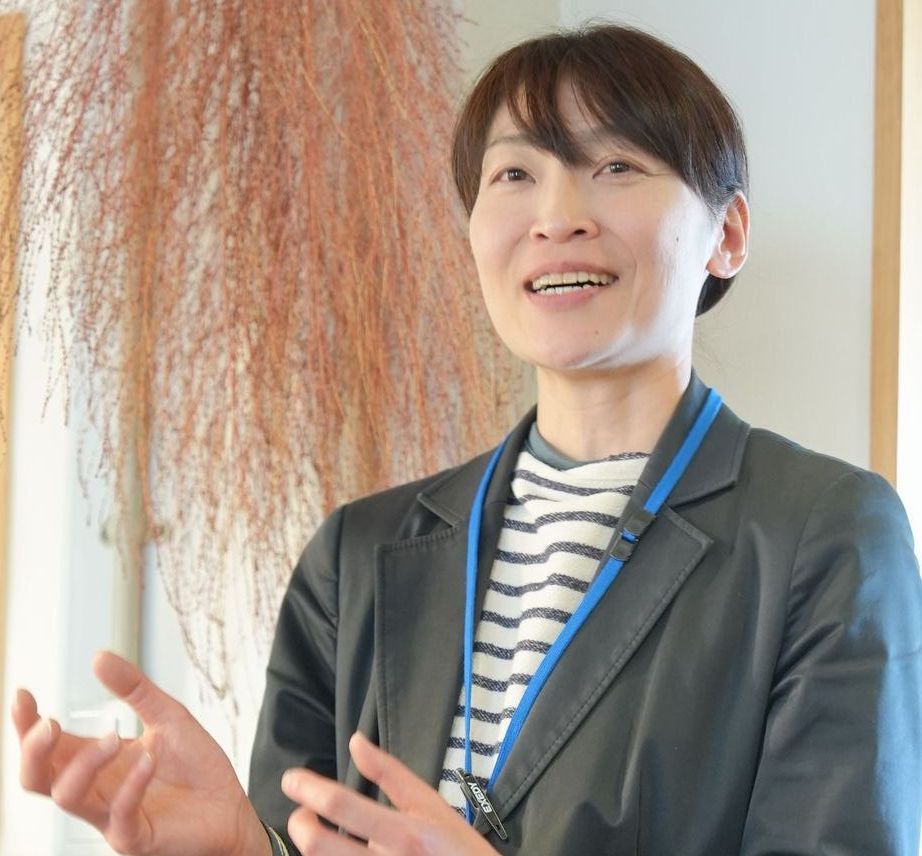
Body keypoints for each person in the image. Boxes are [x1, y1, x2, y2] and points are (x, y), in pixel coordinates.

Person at [13, 22, 922, 856]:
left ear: (727, 234)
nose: (557, 215)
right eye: (515, 175)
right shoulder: (356, 555)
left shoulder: (827, 532)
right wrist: (242, 848)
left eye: (618, 166)